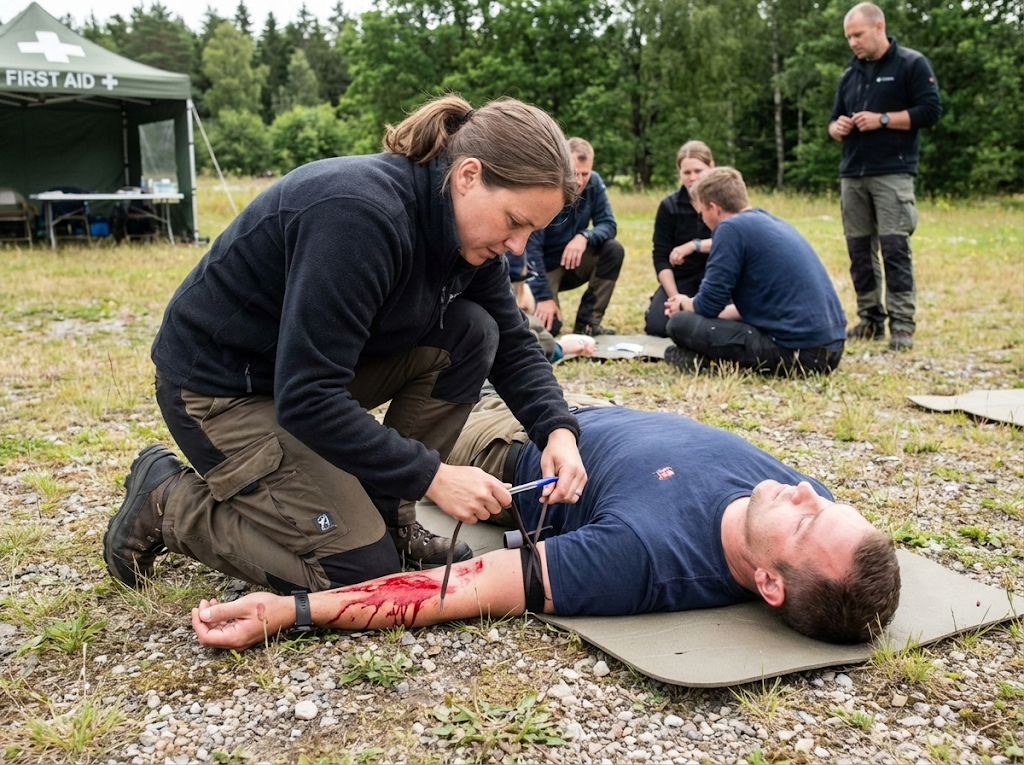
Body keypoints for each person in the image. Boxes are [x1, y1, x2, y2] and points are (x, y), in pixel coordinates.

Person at [103, 95, 590, 597]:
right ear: (468, 176)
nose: (517, 248)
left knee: (474, 332)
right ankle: (168, 501)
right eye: (515, 221)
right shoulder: (359, 216)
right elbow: (308, 396)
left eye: (531, 231)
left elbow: (511, 342)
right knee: (358, 575)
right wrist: (433, 477)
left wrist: (556, 431)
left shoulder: (467, 236)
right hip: (221, 390)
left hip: (297, 376)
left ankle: (388, 517)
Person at [190, 394, 901, 651]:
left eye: (810, 524)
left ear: (771, 584)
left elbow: (477, 582)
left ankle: (180, 495)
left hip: (506, 436)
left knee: (352, 437)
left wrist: (296, 610)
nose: (808, 495)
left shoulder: (646, 558)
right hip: (578, 409)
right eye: (829, 503)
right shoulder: (798, 495)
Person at [828, 2, 941, 351]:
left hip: (893, 172)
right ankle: (869, 319)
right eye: (848, 37)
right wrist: (839, 127)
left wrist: (884, 119)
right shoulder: (850, 74)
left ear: (879, 28)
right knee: (859, 251)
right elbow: (832, 123)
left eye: (858, 34)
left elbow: (931, 111)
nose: (853, 43)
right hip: (853, 173)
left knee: (894, 249)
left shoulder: (911, 63)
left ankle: (903, 325)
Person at [663, 167, 847, 376]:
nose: (703, 220)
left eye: (702, 213)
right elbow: (758, 305)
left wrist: (684, 304)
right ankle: (705, 359)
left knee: (679, 324)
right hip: (830, 351)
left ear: (714, 208)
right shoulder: (771, 222)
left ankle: (705, 362)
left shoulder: (730, 229)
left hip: (798, 354)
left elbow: (708, 305)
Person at [525, 138, 624, 337]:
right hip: (542, 267)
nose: (579, 180)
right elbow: (531, 247)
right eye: (573, 173)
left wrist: (585, 236)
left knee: (613, 250)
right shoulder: (546, 186)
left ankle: (588, 323)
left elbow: (609, 224)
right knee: (550, 329)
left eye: (585, 174)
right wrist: (544, 297)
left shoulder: (594, 183)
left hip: (573, 262)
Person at [645, 141, 715, 337]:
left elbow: (734, 241)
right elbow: (660, 256)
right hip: (681, 278)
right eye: (686, 172)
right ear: (679, 172)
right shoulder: (668, 206)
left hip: (716, 276)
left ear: (711, 167)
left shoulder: (722, 199)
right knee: (658, 328)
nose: (692, 178)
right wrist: (674, 297)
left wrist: (694, 245)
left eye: (698, 171)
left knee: (719, 319)